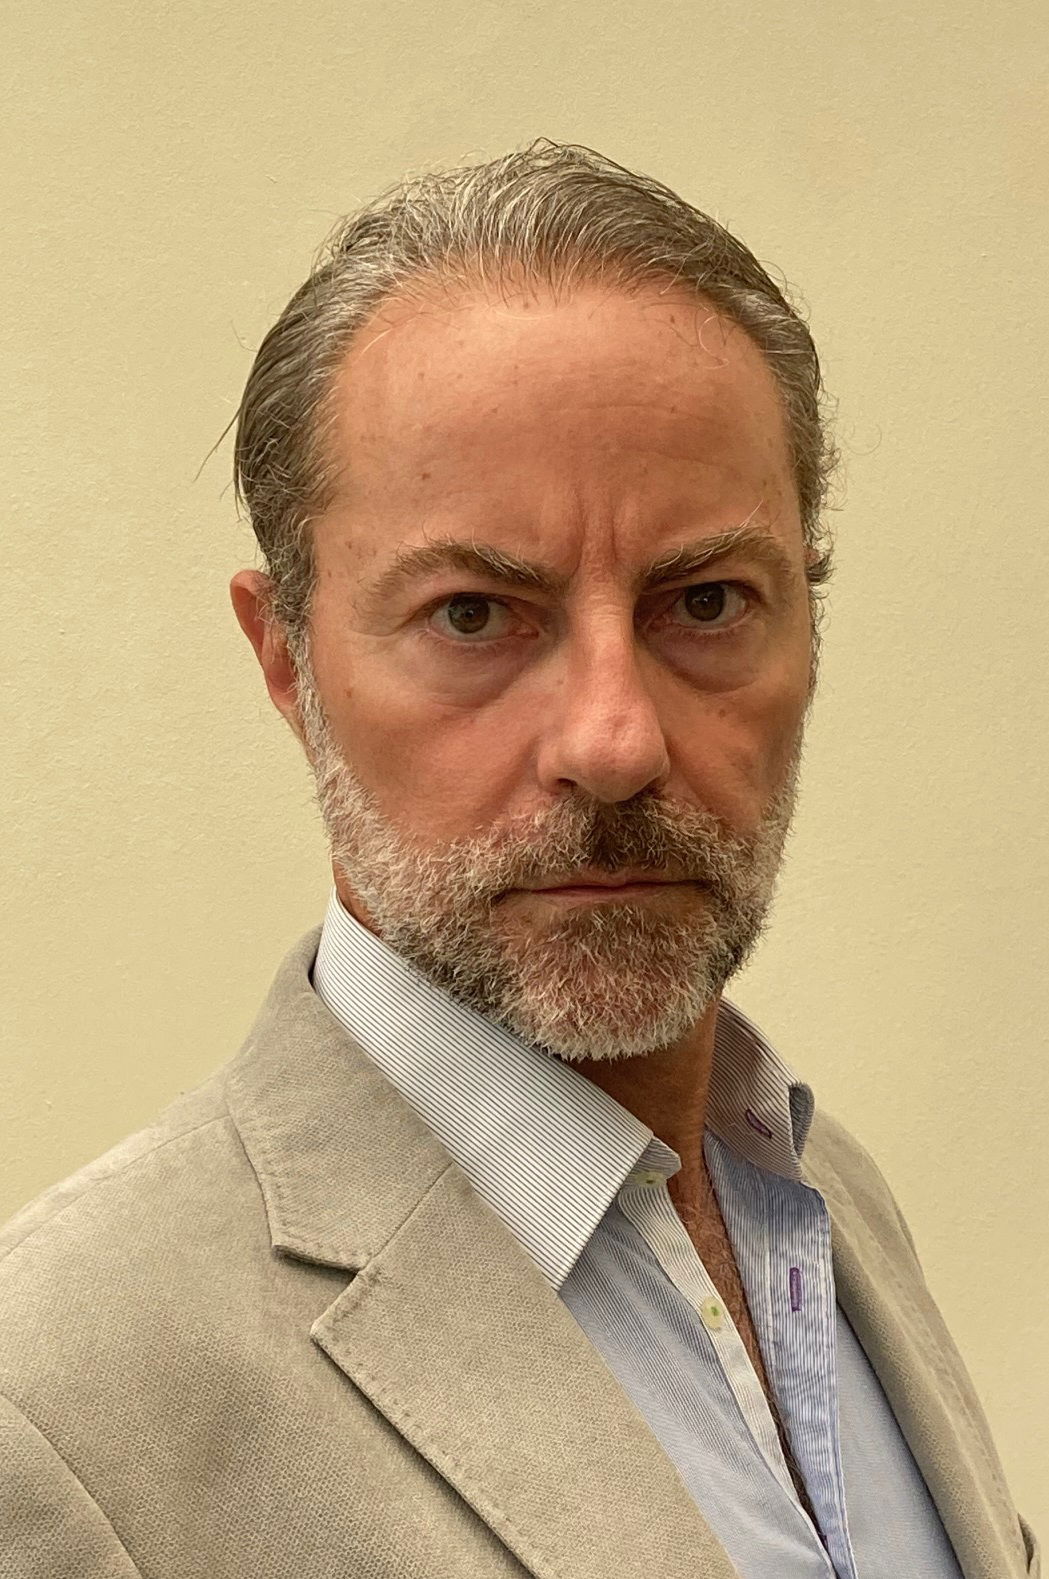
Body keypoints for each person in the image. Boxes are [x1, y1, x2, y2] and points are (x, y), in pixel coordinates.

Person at [0, 140, 1038, 1579]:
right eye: (475, 615)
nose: (612, 741)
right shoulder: (64, 1407)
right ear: (285, 659)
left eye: (706, 601)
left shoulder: (823, 1201)